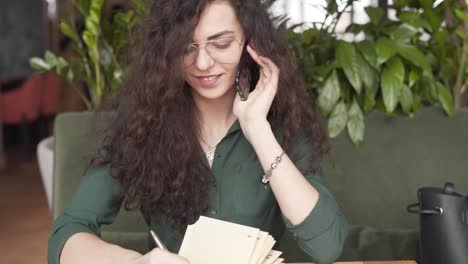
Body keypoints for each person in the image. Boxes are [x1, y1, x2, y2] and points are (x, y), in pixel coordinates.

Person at [48, 0, 348, 263]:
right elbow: (66, 236)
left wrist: (258, 129)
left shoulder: (281, 123)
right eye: (186, 47)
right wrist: (136, 263)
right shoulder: (144, 121)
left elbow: (326, 246)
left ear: (250, 44)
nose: (203, 63)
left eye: (221, 44)